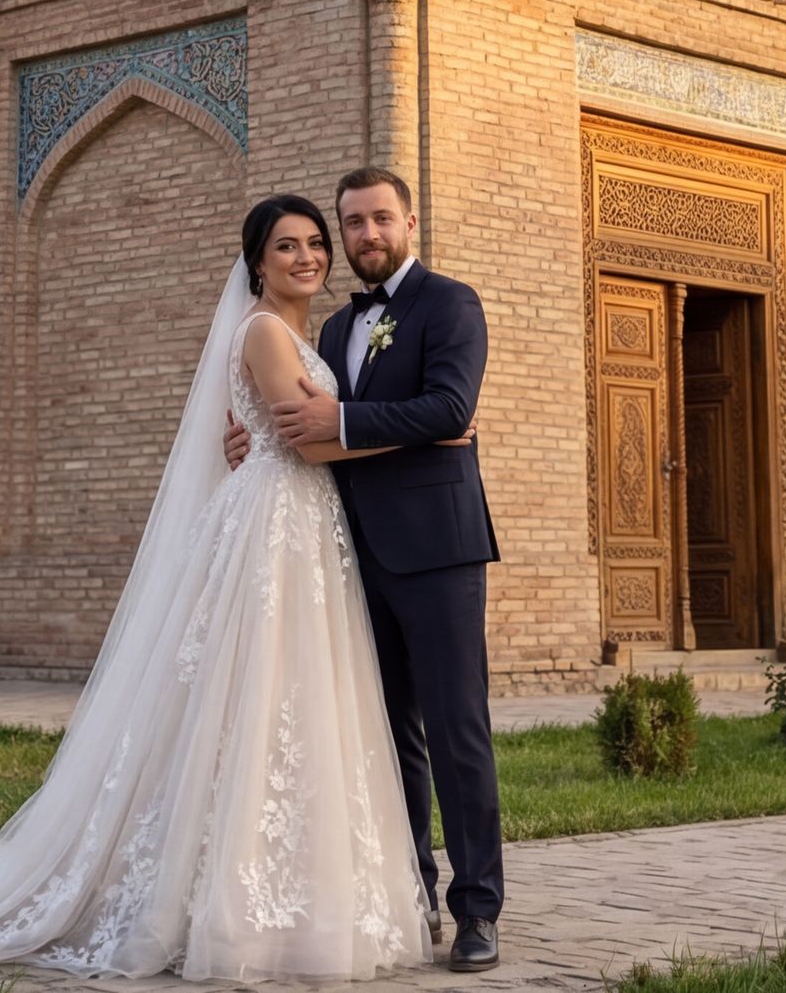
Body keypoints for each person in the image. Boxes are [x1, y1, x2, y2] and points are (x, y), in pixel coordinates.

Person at [0, 195, 436, 981]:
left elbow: (297, 428)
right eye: (287, 245)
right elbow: (301, 438)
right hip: (274, 528)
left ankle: (294, 896)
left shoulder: (312, 334)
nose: (307, 256)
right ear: (256, 261)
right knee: (255, 698)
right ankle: (226, 902)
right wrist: (428, 429)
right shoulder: (266, 330)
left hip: (303, 528)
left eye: (316, 242)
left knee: (293, 702)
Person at [233, 166, 503, 970]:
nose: (364, 236)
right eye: (351, 224)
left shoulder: (450, 304)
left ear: (410, 222)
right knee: (385, 736)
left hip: (438, 548)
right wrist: (249, 438)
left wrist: (341, 418)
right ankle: (409, 893)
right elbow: (303, 425)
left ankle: (477, 909)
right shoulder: (328, 332)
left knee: (457, 730)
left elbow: (450, 406)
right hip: (348, 551)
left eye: (378, 219)